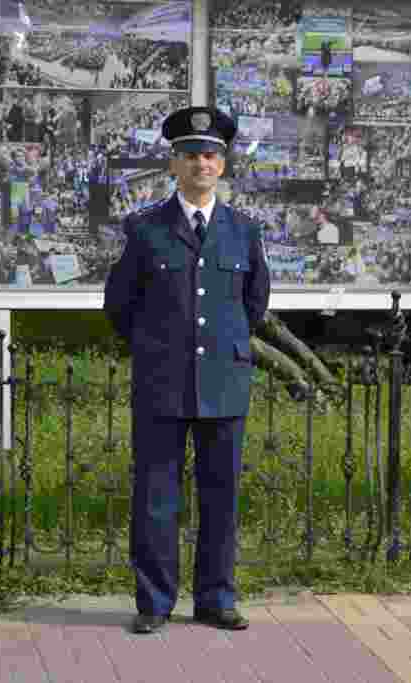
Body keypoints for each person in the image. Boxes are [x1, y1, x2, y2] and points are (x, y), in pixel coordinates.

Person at [103, 106, 271, 635]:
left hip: (224, 381)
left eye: (212, 155)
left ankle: (216, 597)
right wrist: (157, 348)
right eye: (192, 155)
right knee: (156, 496)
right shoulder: (145, 228)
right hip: (162, 383)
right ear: (173, 164)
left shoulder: (245, 231)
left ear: (222, 166)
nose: (202, 163)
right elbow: (119, 305)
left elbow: (255, 304)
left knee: (220, 496)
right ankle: (154, 602)